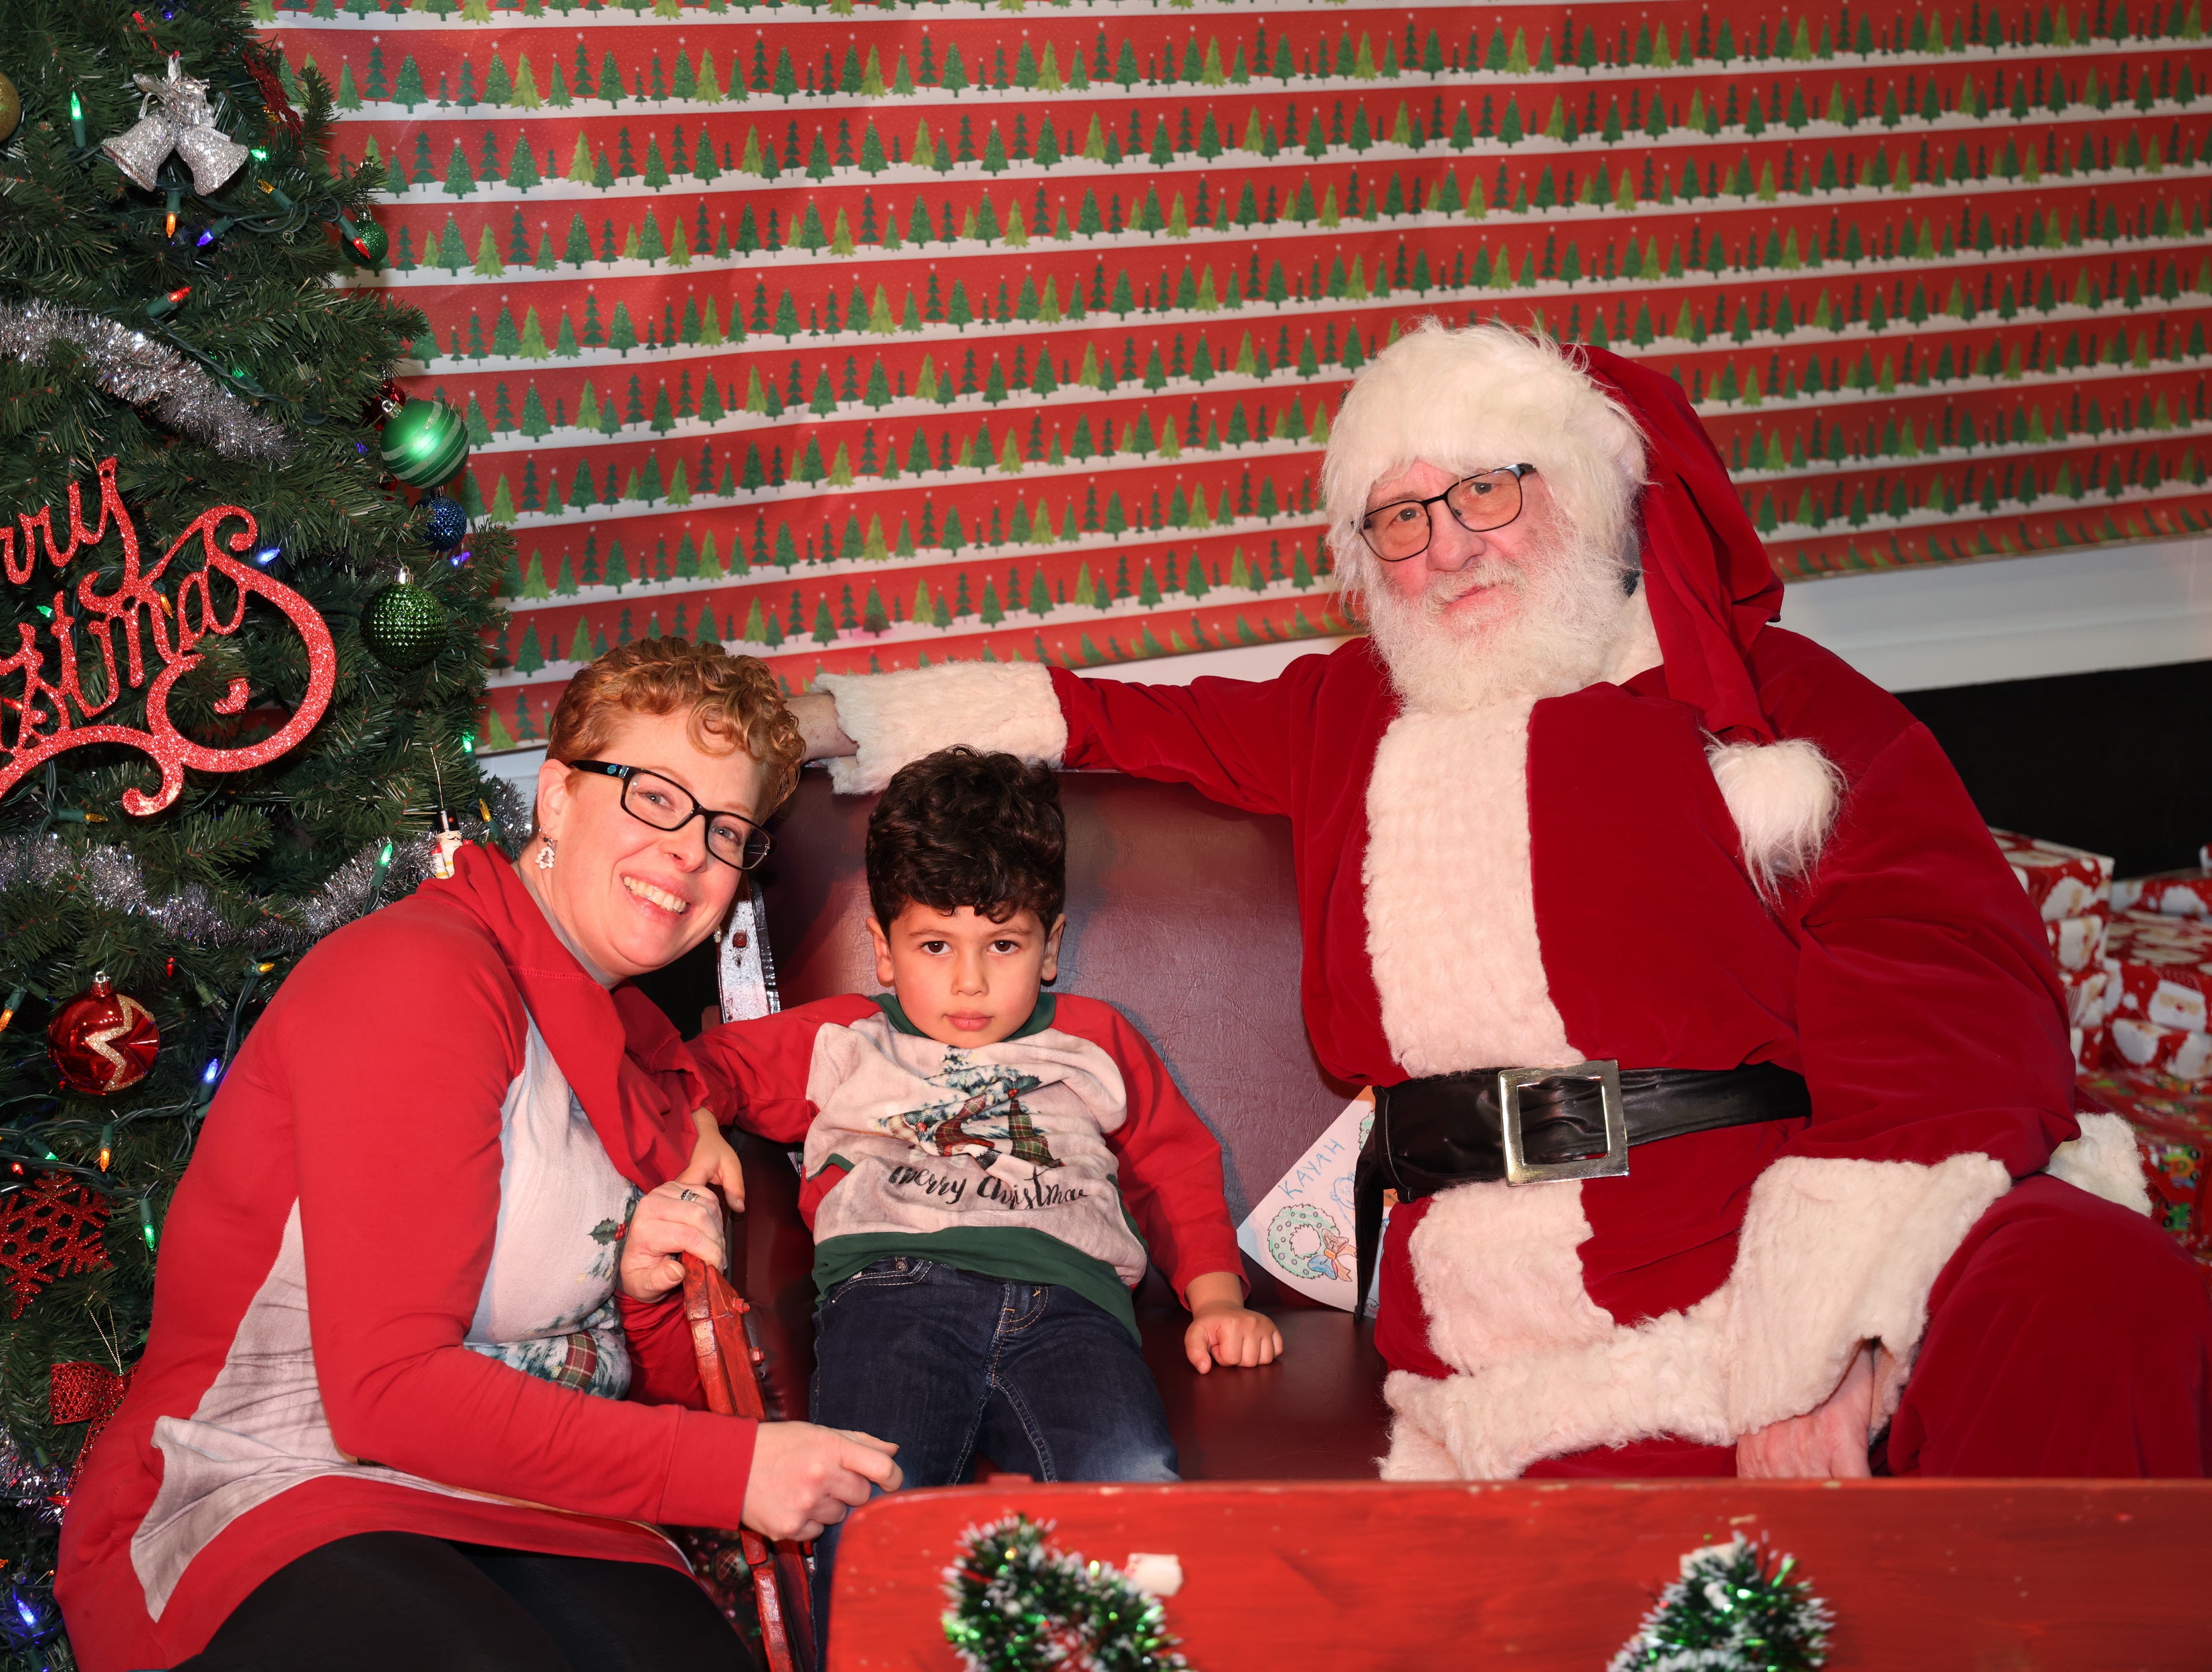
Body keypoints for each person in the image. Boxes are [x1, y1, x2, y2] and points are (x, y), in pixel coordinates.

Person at [788, 322, 2212, 1481]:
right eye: (1401, 516)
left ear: (1579, 490)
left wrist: (1841, 1332)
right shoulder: (1344, 712)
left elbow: (1943, 979)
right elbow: (1092, 714)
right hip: (1511, 1293)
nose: (1449, 545)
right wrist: (813, 724)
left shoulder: (1768, 701)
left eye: (1486, 489)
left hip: (1782, 1229)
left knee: (2096, 1292)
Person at [57, 640, 902, 1672]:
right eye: (655, 797)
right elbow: (388, 1392)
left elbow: (667, 1380)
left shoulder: (634, 1057)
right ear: (557, 798)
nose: (690, 853)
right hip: (273, 1482)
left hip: (542, 1509)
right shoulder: (419, 978)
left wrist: (644, 1289)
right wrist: (731, 1470)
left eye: (726, 830)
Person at [688, 746, 1280, 1633]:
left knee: (1135, 1495)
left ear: (1051, 947)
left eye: (1003, 945)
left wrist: (1217, 1297)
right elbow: (706, 1065)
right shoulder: (845, 1038)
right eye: (935, 946)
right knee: (871, 1521)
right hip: (893, 1299)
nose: (969, 983)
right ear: (883, 950)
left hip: (1073, 1312)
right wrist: (699, 1121)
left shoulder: (1095, 1039)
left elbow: (1173, 1163)